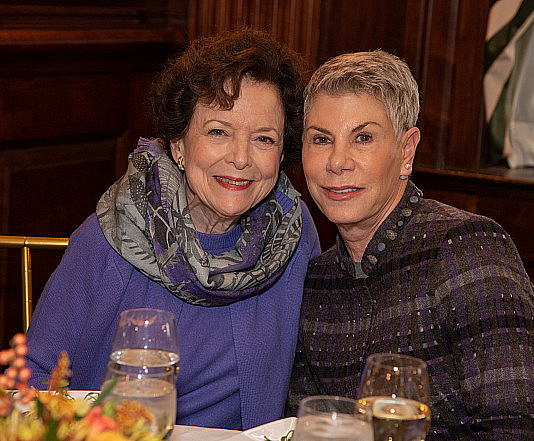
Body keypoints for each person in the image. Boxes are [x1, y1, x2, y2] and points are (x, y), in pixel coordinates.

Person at [25, 29, 321, 431]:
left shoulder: (293, 235)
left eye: (263, 139)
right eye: (218, 131)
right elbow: (36, 377)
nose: (240, 158)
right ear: (178, 145)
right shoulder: (112, 238)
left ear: (282, 154)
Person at [287, 50, 534, 440]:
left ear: (406, 151)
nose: (337, 161)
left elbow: (523, 430)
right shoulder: (317, 280)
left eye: (362, 138)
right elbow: (304, 426)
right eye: (321, 139)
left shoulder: (465, 247)